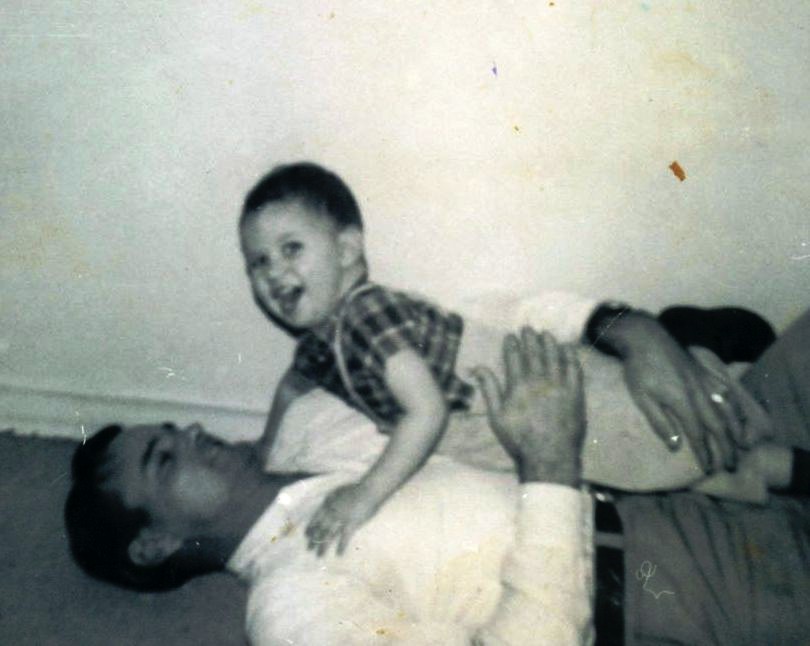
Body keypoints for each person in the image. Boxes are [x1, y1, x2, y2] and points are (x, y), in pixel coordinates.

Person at [64, 327, 810, 645]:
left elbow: (474, 331)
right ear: (155, 544)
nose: (192, 433)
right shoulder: (294, 611)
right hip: (656, 583)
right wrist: (549, 465)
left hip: (673, 453)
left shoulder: (311, 428)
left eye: (174, 427)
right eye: (164, 459)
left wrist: (636, 334)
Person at [238, 162, 788, 553]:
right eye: (258, 262)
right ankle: (768, 462)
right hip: (489, 429)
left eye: (291, 249)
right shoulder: (319, 345)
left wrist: (365, 495)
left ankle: (720, 367)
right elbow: (292, 385)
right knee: (660, 466)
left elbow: (425, 411)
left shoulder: (366, 315)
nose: (273, 272)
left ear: (346, 250)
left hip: (506, 384)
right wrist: (265, 445)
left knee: (664, 430)